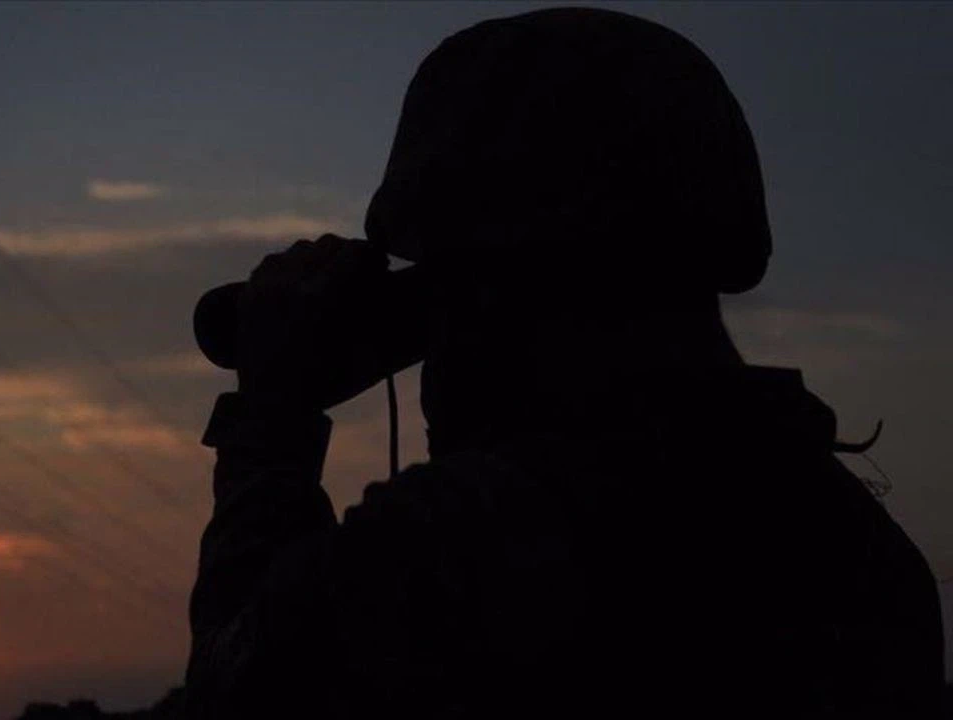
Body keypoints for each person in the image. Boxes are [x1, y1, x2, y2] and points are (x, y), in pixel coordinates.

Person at [183, 8, 945, 718]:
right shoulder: (863, 553)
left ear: (505, 281)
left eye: (452, 276)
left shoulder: (473, 541)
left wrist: (273, 425)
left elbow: (237, 689)